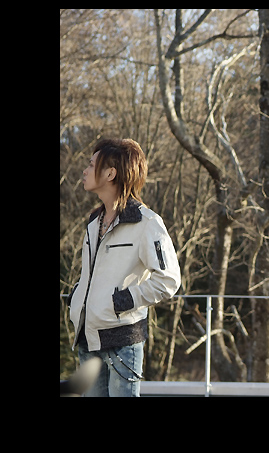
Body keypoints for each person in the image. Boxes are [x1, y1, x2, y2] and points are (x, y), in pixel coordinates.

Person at [69, 138, 181, 397]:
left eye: (91, 165)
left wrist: (124, 300)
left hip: (122, 343)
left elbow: (169, 280)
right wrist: (78, 295)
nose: (85, 171)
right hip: (88, 337)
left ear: (110, 173)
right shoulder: (94, 221)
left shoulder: (147, 222)